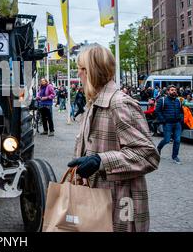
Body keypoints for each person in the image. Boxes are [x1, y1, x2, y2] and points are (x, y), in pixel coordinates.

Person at [67, 45, 159, 232]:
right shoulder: (93, 102)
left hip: (119, 206)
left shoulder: (119, 104)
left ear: (92, 71)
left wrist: (100, 160)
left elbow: (148, 155)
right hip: (95, 202)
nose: (78, 74)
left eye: (81, 69)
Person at [155, 85, 184, 164]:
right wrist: (163, 120)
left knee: (177, 140)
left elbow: (181, 111)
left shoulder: (178, 101)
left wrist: (181, 119)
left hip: (177, 123)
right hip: (168, 123)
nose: (174, 91)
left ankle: (175, 156)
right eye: (171, 90)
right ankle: (159, 148)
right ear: (168, 91)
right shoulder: (162, 100)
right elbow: (157, 111)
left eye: (175, 90)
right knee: (167, 140)